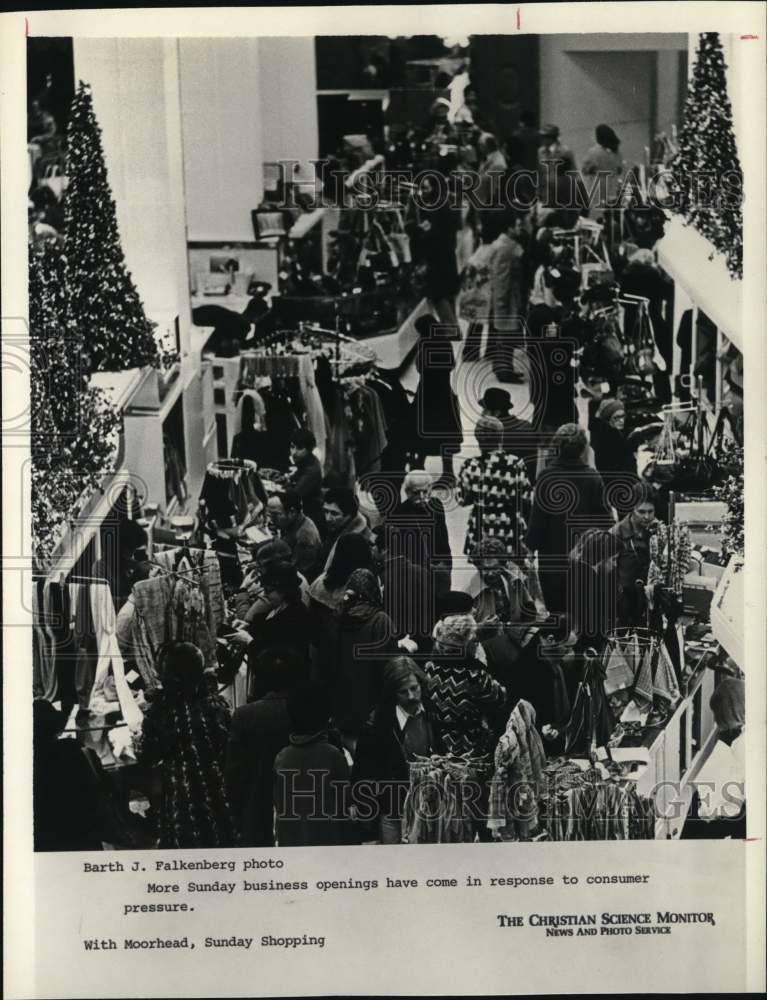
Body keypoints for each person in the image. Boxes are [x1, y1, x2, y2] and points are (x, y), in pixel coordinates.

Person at [135, 641, 236, 849]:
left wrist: (138, 739)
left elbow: (147, 757)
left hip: (182, 797)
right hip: (218, 793)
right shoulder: (216, 705)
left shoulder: (160, 713)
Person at [352, 656, 445, 844]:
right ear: (392, 693)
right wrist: (368, 833)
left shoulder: (431, 714)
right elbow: (364, 777)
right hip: (393, 811)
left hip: (427, 809)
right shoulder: (376, 726)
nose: (411, 696)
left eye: (414, 688)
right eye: (404, 692)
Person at [526, 423, 614, 620]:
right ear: (584, 449)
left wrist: (530, 551)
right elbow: (605, 521)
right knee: (583, 612)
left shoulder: (546, 477)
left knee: (557, 615)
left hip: (552, 560)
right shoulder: (593, 478)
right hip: (585, 559)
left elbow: (537, 521)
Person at [225, 647, 300, 846]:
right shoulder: (308, 712)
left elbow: (234, 770)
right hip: (301, 804)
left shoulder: (245, 715)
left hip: (256, 804)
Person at [273, 685, 352, 847]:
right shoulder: (333, 755)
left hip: (292, 844)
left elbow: (278, 803)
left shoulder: (282, 757)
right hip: (328, 844)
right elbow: (344, 804)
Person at [332, 569, 398, 750]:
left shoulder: (339, 618)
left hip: (343, 707)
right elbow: (389, 667)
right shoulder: (380, 620)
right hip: (372, 708)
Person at [424, 614, 506, 758]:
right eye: (474, 641)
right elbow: (499, 698)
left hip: (437, 741)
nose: (477, 644)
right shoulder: (474, 674)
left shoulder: (430, 667)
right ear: (464, 644)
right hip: (469, 746)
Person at [33, 699, 107, 852]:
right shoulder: (74, 751)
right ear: (55, 727)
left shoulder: (22, 764)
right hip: (83, 835)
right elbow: (105, 786)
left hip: (45, 842)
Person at [457, 415, 533, 557]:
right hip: (510, 528)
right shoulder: (516, 464)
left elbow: (461, 499)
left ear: (478, 440)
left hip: (480, 529)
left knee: (485, 573)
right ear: (501, 438)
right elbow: (526, 499)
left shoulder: (470, 466)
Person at [684, 676, 746, 839]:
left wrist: (711, 809)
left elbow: (736, 800)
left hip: (747, 814)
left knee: (697, 811)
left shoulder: (742, 744)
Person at [407, 313, 463, 483]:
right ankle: (448, 473)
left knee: (421, 431)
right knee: (445, 433)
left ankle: (418, 465)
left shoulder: (425, 344)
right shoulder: (444, 342)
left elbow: (419, 367)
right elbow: (451, 365)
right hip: (444, 393)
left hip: (427, 394)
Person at [244, 563, 311, 699]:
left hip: (279, 693)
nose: (265, 594)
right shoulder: (280, 607)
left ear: (284, 591)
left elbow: (274, 657)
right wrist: (247, 626)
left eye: (268, 591)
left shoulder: (296, 616)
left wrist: (248, 641)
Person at [389, 470, 452, 598]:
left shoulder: (436, 505)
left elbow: (443, 538)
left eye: (425, 491)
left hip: (439, 570)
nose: (422, 496)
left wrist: (446, 564)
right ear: (407, 492)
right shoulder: (399, 513)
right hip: (415, 574)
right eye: (416, 493)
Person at [370, 523, 431, 650]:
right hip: (421, 643)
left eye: (371, 545)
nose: (369, 548)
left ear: (385, 549)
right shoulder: (422, 572)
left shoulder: (379, 578)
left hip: (395, 645)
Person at [487, 207, 528, 384]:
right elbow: (501, 277)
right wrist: (502, 301)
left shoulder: (505, 245)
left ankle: (504, 367)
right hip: (507, 299)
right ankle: (504, 370)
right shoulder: (506, 248)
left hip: (509, 297)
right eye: (517, 225)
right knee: (506, 335)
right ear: (509, 227)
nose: (520, 228)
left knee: (505, 334)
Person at [609, 482, 658, 627]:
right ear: (632, 509)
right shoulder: (617, 533)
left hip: (649, 602)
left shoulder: (657, 532)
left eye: (651, 511)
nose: (647, 516)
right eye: (641, 512)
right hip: (624, 604)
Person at [588, 398, 638, 517]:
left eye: (623, 416)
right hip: (619, 492)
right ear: (608, 418)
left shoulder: (609, 435)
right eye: (617, 417)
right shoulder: (609, 439)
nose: (621, 421)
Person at [479, 386, 538, 484]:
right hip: (527, 482)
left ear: (497, 413)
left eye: (485, 410)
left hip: (504, 483)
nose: (482, 414)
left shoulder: (491, 433)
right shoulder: (527, 426)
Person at [266, 489, 322, 581]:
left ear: (292, 512)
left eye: (275, 515)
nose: (271, 520)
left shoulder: (305, 537)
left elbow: (294, 573)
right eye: (269, 514)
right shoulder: (292, 523)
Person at [319, 486, 372, 572]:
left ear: (349, 515)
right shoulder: (335, 527)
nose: (327, 518)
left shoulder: (359, 542)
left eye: (334, 513)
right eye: (325, 511)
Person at [581, 124, 625, 212]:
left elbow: (585, 170)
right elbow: (620, 170)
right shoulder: (617, 152)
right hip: (612, 189)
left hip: (597, 190)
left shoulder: (593, 152)